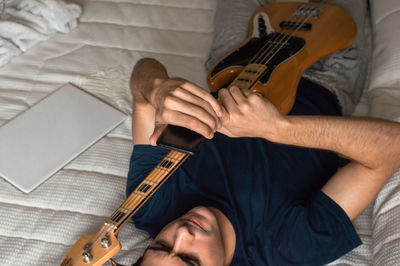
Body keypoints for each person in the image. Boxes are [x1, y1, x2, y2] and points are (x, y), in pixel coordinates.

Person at [126, 57, 400, 266]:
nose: (182, 233)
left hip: (235, 61)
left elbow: (142, 80)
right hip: (321, 72)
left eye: (161, 246)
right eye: (190, 260)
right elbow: (391, 146)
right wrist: (278, 129)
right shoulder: (288, 247)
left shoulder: (148, 202)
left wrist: (157, 89)